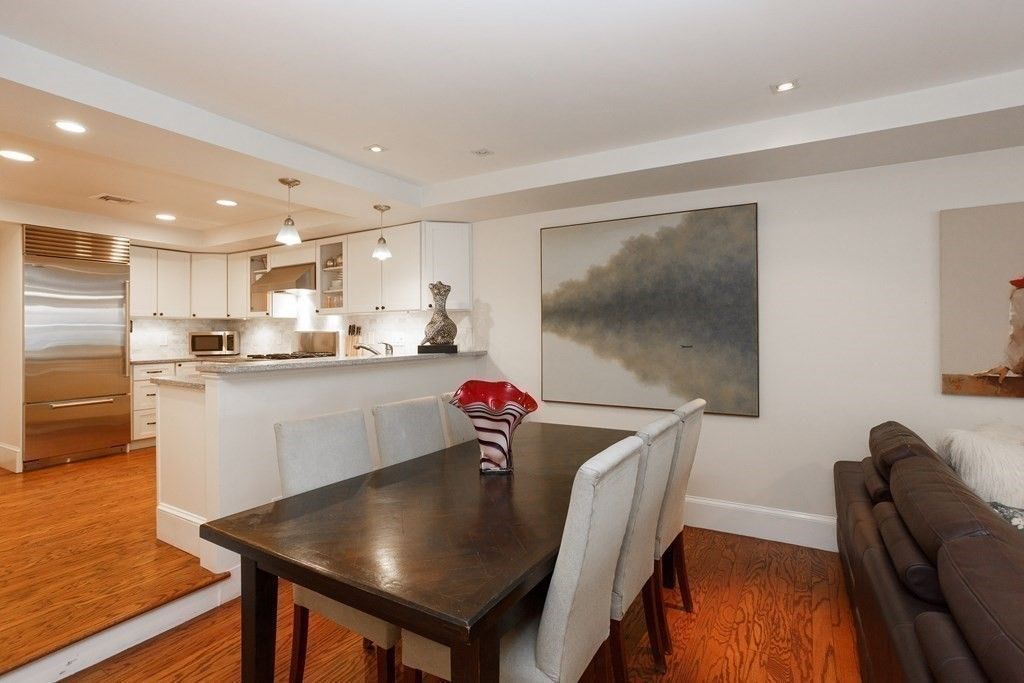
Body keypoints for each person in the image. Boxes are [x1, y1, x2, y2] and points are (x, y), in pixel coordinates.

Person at [977, 275, 1024, 384]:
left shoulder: (1020, 295)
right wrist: (1007, 364)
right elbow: (1018, 330)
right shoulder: (1020, 295)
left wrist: (1007, 364)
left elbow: (1018, 329)